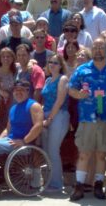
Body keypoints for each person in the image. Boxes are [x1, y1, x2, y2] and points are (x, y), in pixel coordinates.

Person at [69, 38, 106, 201]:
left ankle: (99, 185)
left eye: (101, 47)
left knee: (101, 155)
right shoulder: (82, 69)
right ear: (92, 49)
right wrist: (78, 95)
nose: (98, 50)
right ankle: (79, 186)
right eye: (96, 47)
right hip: (87, 118)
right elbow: (71, 88)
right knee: (84, 154)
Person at [41, 54, 69, 192]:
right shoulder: (47, 81)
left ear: (61, 65)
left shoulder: (63, 79)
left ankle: (57, 184)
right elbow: (45, 101)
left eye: (56, 63)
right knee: (46, 150)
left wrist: (49, 119)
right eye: (50, 62)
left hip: (59, 116)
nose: (52, 64)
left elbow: (60, 100)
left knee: (53, 150)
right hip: (46, 115)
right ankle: (50, 181)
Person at [0, 48, 17, 135]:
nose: (6, 59)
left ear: (13, 58)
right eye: (3, 57)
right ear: (0, 59)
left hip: (11, 104)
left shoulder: (15, 71)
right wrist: (1, 92)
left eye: (8, 56)